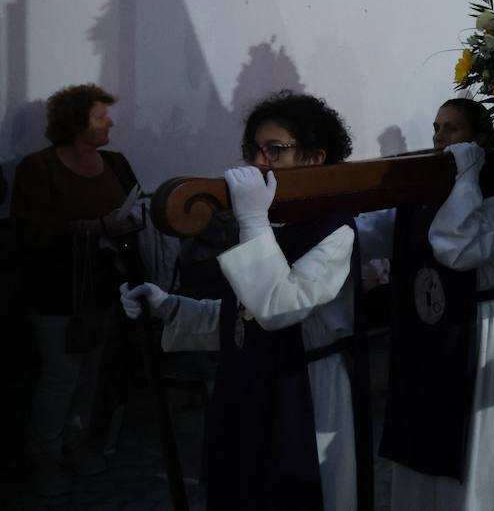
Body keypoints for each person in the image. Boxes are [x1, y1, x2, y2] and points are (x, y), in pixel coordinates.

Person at [121, 92, 373, 511]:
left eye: (275, 150)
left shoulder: (333, 230)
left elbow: (279, 310)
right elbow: (242, 319)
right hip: (250, 385)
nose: (259, 162)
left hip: (308, 389)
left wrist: (252, 221)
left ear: (313, 159)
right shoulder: (270, 224)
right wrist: (168, 306)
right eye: (254, 149)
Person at [360, 98, 494, 509]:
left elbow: (455, 247)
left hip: (486, 331)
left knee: (482, 448)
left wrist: (466, 178)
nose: (441, 139)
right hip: (429, 336)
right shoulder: (423, 195)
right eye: (437, 129)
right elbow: (369, 232)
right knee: (424, 432)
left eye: (452, 130)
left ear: (478, 141)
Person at [11, 84, 140, 496]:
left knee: (89, 375)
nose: (110, 122)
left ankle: (77, 445)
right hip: (55, 291)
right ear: (75, 121)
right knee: (60, 375)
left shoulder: (115, 163)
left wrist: (128, 223)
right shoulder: (39, 168)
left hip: (102, 287)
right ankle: (44, 460)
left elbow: (135, 209)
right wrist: (96, 228)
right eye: (101, 116)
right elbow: (32, 232)